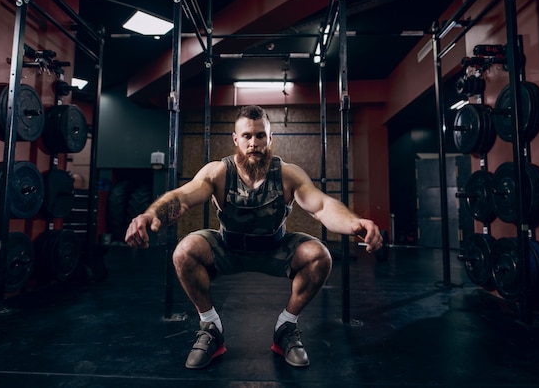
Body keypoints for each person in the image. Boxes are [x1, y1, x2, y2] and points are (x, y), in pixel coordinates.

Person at [125, 105, 383, 369]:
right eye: (247, 136)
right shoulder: (218, 172)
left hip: (275, 250)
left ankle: (286, 327)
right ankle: (210, 327)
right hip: (228, 249)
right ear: (236, 139)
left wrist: (354, 223)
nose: (254, 142)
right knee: (184, 250)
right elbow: (183, 196)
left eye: (260, 136)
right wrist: (151, 215)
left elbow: (321, 206)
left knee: (320, 256)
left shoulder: (287, 174)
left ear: (270, 139)